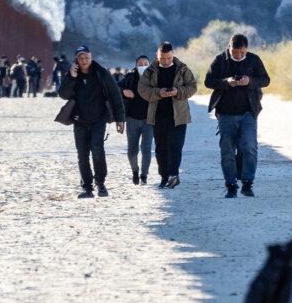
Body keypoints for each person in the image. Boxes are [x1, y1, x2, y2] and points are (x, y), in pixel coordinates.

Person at [204, 33, 270, 198]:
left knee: (249, 147)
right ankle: (231, 185)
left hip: (249, 113)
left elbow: (266, 80)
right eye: (235, 52)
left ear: (246, 49)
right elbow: (208, 81)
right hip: (225, 114)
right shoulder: (220, 60)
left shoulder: (254, 59)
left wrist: (250, 81)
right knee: (227, 150)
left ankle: (247, 184)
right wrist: (226, 82)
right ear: (229, 47)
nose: (239, 55)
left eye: (242, 52)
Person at [57, 45, 125, 198]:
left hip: (98, 119)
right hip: (79, 120)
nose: (84, 60)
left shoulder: (101, 73)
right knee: (82, 154)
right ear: (76, 60)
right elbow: (63, 94)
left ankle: (100, 183)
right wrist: (72, 77)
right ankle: (87, 188)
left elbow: (115, 95)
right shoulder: (72, 74)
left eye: (86, 57)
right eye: (80, 58)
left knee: (97, 149)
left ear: (91, 57)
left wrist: (120, 119)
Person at [138, 42, 197, 189]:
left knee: (176, 146)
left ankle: (173, 175)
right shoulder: (150, 71)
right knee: (160, 148)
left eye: (169, 58)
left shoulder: (182, 68)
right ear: (157, 56)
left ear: (173, 55)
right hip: (158, 115)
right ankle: (164, 177)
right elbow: (142, 89)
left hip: (179, 116)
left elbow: (192, 87)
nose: (166, 61)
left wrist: (178, 91)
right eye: (162, 58)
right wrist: (159, 92)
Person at [119, 55, 154, 185]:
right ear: (136, 65)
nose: (143, 65)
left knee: (146, 148)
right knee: (132, 150)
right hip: (132, 119)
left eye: (145, 63)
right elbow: (115, 88)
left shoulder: (154, 78)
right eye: (140, 64)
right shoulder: (129, 77)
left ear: (149, 65)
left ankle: (144, 175)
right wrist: (123, 91)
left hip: (149, 120)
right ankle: (135, 171)